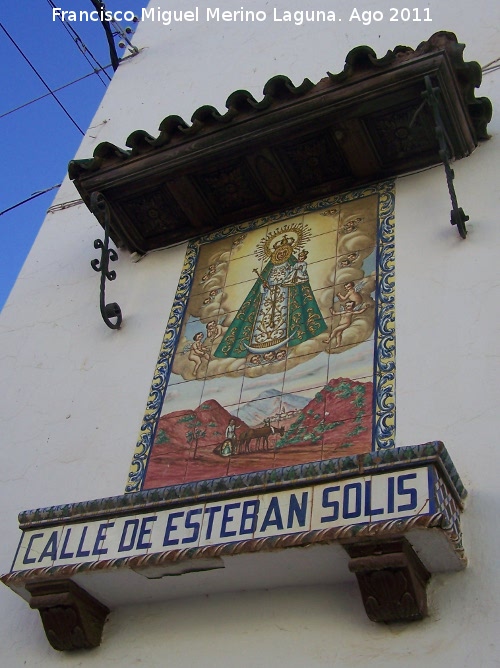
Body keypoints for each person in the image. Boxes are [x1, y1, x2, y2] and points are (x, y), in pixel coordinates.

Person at [214, 231, 326, 359]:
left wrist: (289, 280)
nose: (281, 255)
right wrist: (264, 287)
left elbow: (298, 278)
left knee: (282, 316)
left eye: (284, 253)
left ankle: (284, 338)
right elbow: (258, 289)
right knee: (263, 319)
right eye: (279, 253)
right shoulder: (270, 269)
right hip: (267, 297)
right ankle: (260, 342)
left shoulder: (292, 265)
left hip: (285, 294)